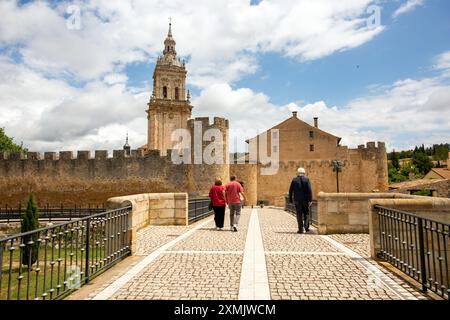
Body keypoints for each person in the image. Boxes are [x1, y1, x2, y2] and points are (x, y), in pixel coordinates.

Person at [288, 167, 313, 234]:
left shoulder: (294, 180)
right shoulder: (307, 179)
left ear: (297, 173)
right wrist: (310, 200)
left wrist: (290, 200)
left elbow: (290, 191)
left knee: (299, 215)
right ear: (304, 173)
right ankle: (306, 227)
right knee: (306, 213)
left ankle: (300, 229)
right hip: (305, 201)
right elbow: (309, 191)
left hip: (297, 200)